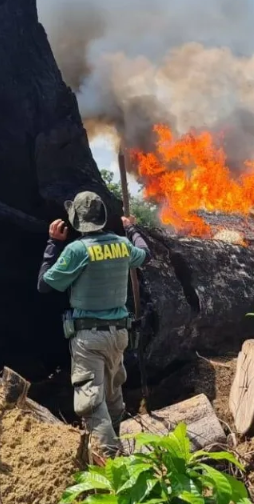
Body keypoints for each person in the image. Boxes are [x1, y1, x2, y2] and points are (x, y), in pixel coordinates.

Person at [37, 190, 150, 456]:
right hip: (119, 335)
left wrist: (53, 243)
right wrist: (131, 228)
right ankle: (117, 448)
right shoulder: (121, 245)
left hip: (90, 338)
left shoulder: (77, 250)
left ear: (76, 220)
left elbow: (44, 284)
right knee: (113, 396)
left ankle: (111, 462)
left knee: (90, 402)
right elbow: (146, 254)